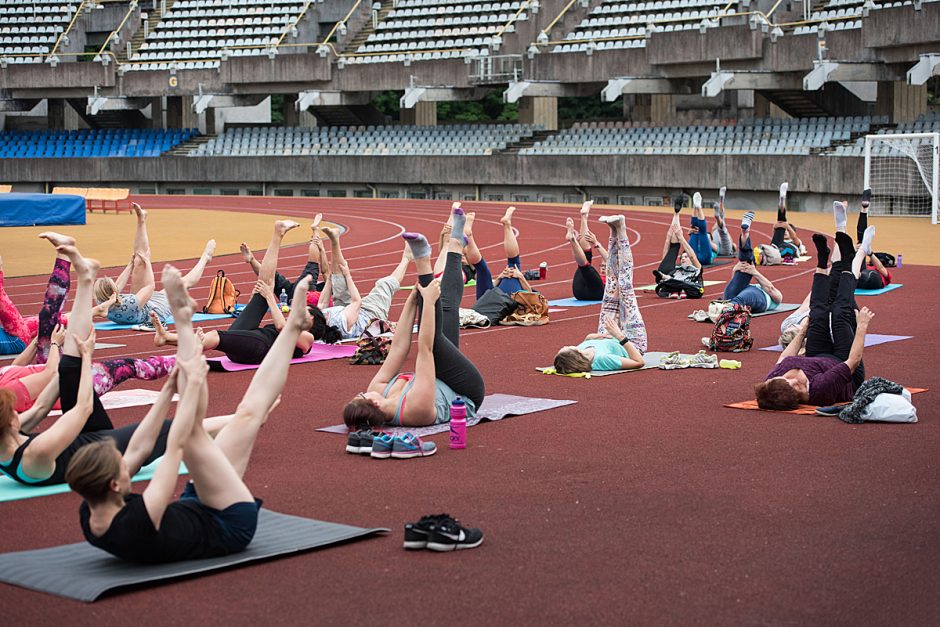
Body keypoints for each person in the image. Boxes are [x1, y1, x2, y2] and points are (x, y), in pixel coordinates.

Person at [66, 266, 311, 564]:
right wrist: (192, 383)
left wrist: (170, 391)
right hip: (229, 523)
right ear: (114, 485)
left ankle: (291, 327)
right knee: (210, 427)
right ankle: (184, 321)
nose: (127, 464)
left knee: (246, 415)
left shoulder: (92, 504)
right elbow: (177, 444)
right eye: (122, 466)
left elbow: (142, 446)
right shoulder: (134, 523)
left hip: (197, 505)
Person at [0, 235, 184, 487]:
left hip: (62, 382)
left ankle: (80, 272)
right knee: (131, 369)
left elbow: (31, 387)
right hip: (78, 403)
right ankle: (184, 362)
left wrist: (52, 348)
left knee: (50, 318)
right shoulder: (17, 405)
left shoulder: (6, 395)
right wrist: (72, 355)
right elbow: (57, 391)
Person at [342, 208, 485, 429]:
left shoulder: (378, 390)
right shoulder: (415, 409)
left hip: (436, 376)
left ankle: (455, 245)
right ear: (373, 404)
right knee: (437, 343)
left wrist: (412, 301)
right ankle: (423, 262)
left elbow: (398, 347)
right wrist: (427, 302)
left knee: (447, 308)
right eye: (362, 394)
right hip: (465, 389)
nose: (364, 391)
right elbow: (426, 347)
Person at [153, 220, 336, 363]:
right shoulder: (300, 328)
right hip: (252, 338)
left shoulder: (309, 339)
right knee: (265, 284)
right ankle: (278, 233)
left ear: (312, 320)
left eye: (306, 310)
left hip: (258, 348)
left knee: (217, 335)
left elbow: (282, 328)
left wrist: (270, 298)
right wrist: (265, 295)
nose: (301, 308)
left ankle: (179, 339)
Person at [755, 224, 878, 409]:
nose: (792, 378)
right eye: (794, 384)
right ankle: (848, 262)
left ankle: (822, 262)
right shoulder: (819, 389)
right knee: (840, 312)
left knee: (818, 314)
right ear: (798, 391)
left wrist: (803, 330)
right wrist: (861, 326)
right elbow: (853, 362)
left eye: (786, 378)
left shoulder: (773, 381)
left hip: (817, 355)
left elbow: (784, 357)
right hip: (844, 364)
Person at [93, 203, 215, 328]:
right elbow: (150, 286)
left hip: (140, 305)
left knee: (138, 260)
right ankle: (205, 258)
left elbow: (118, 286)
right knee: (183, 283)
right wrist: (148, 262)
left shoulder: (102, 302)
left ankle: (141, 220)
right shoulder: (130, 303)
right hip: (156, 309)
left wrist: (130, 265)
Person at [553, 214, 647, 374]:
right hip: (632, 341)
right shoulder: (601, 360)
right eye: (563, 350)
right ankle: (622, 228)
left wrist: (594, 337)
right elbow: (639, 362)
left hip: (607, 333)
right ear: (573, 356)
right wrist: (619, 335)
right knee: (624, 284)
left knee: (611, 280)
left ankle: (613, 230)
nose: (562, 347)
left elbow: (588, 338)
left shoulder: (581, 349)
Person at [318, 240, 412, 340]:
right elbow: (356, 301)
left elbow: (322, 303)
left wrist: (330, 278)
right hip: (369, 315)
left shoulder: (317, 318)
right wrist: (347, 275)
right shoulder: (340, 322)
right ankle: (407, 258)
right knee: (385, 284)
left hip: (346, 311)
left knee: (338, 279)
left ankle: (334, 241)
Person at [240, 213, 327, 306]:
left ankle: (315, 230)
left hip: (304, 295)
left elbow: (326, 273)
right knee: (271, 277)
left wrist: (322, 249)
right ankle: (252, 260)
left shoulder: (337, 287)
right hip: (294, 297)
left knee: (312, 264)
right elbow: (326, 274)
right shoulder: (339, 294)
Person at [0, 252, 70, 359]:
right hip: (17, 339)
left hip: (9, 334)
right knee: (48, 318)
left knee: (49, 320)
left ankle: (95, 310)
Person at [721, 212, 784, 314]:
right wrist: (735, 269)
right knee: (745, 264)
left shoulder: (777, 297)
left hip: (760, 299)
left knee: (738, 299)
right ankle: (745, 232)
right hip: (738, 295)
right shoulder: (749, 287)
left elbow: (770, 289)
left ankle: (726, 308)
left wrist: (755, 272)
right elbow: (734, 282)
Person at [464, 204, 530, 299]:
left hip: (506, 304)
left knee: (513, 265)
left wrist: (520, 277)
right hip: (484, 306)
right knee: (481, 269)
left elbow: (532, 297)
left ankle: (507, 224)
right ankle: (469, 236)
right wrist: (500, 278)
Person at [653, 205, 703, 299]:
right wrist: (669, 236)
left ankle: (670, 283)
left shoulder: (696, 269)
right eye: (682, 257)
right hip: (673, 284)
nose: (683, 258)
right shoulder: (677, 270)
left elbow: (692, 256)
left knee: (668, 279)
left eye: (685, 257)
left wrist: (680, 237)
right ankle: (676, 213)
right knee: (665, 267)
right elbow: (665, 258)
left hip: (693, 289)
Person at [565, 200, 608, 301]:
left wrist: (596, 243)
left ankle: (573, 240)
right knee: (584, 260)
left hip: (597, 293)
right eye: (602, 266)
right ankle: (584, 216)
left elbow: (609, 259)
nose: (603, 268)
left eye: (605, 266)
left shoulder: (614, 273)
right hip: (580, 291)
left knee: (585, 266)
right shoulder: (595, 276)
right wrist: (578, 246)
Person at [685, 192, 714, 266]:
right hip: (695, 258)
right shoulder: (699, 238)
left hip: (705, 258)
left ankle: (698, 206)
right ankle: (696, 206)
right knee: (695, 230)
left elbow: (716, 249)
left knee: (701, 232)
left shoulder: (714, 247)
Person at [709, 186, 735, 256]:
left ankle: (721, 200)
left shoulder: (714, 229)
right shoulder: (715, 228)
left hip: (716, 247)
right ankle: (721, 200)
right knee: (723, 230)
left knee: (722, 229)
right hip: (724, 250)